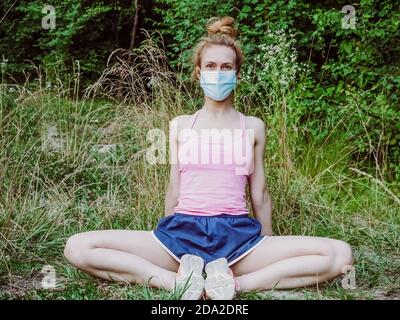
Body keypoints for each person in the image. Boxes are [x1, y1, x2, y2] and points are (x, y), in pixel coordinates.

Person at [64, 16, 353, 300]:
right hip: (181, 235)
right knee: (77, 247)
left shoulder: (252, 126)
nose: (218, 73)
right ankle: (176, 281)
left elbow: (260, 192)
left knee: (340, 254)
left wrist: (267, 241)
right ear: (199, 73)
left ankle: (232, 284)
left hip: (238, 238)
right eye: (211, 66)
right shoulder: (180, 125)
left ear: (237, 74)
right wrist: (167, 234)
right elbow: (174, 189)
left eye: (226, 67)